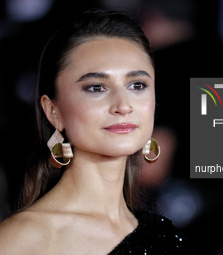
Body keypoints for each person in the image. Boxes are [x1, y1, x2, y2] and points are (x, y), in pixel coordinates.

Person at [0, 9, 191, 254]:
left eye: (137, 85)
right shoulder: (19, 240)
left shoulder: (166, 238)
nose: (123, 106)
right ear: (53, 111)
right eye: (96, 88)